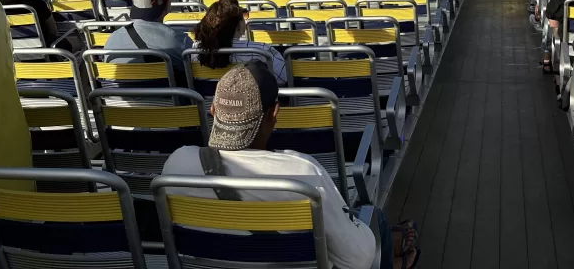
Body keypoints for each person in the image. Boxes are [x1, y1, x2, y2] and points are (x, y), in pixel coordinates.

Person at [161, 62, 419, 269]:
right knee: (374, 220)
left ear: (214, 110)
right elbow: (358, 260)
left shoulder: (175, 167)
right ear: (274, 113)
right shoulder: (301, 177)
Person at [103, 0, 192, 74]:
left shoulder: (112, 39)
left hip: (116, 89)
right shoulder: (179, 40)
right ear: (167, 4)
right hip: (165, 88)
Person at [191, 0, 286, 81]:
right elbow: (282, 78)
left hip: (207, 100)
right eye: (243, 16)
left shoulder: (195, 48)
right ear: (238, 25)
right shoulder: (261, 50)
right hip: (251, 99)